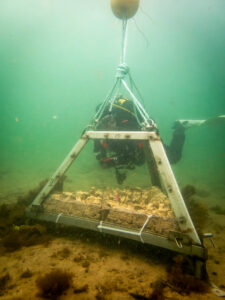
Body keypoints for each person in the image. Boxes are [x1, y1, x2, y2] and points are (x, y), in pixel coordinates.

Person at [94, 96, 187, 184]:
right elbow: (100, 155)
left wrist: (114, 160)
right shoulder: (99, 131)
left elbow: (131, 156)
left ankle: (180, 128)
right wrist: (105, 161)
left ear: (114, 117)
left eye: (110, 120)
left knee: (173, 157)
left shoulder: (127, 125)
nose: (109, 124)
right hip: (133, 152)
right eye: (104, 122)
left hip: (142, 145)